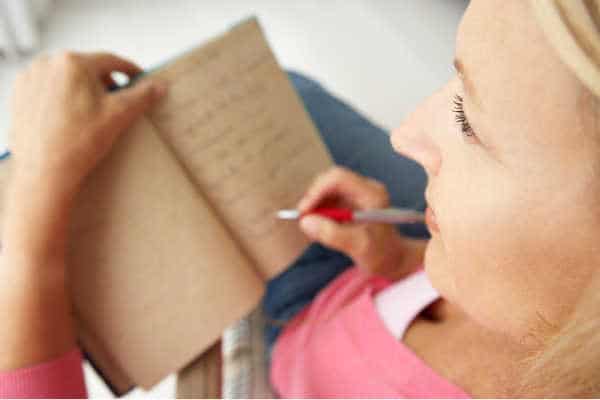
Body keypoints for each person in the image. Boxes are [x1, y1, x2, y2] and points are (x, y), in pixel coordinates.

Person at [1, 0, 599, 397]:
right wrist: (397, 260)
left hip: (276, 364)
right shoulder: (544, 294)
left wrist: (36, 187)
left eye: (470, 121)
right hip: (355, 289)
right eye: (455, 80)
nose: (406, 130)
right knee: (288, 94)